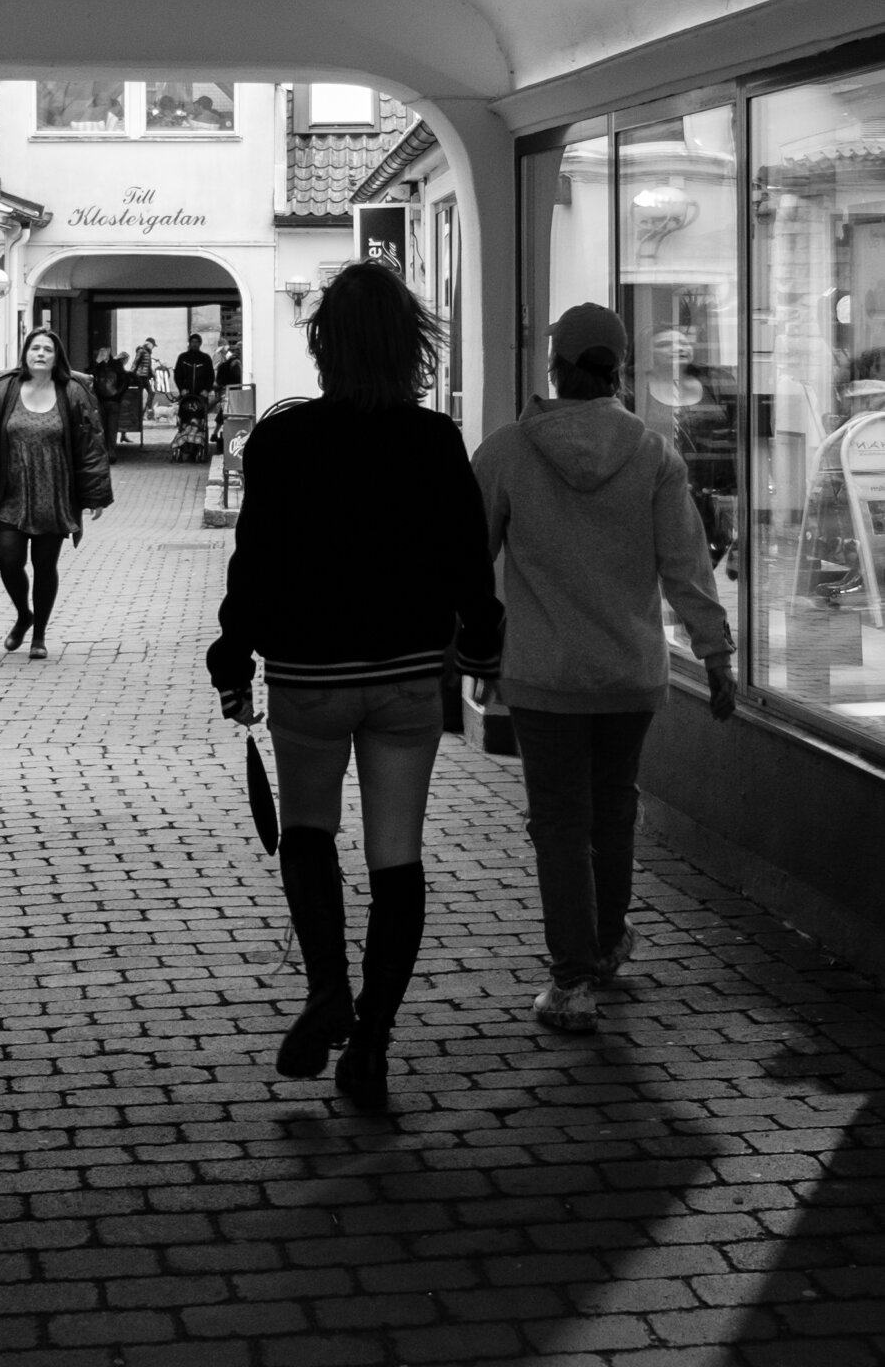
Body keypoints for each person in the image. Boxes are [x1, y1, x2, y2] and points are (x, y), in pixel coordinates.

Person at [207, 260, 503, 1109]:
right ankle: (371, 1041)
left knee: (307, 834)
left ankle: (327, 986)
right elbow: (463, 560)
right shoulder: (433, 440)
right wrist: (480, 640)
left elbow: (254, 562)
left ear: (324, 344)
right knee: (396, 856)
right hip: (409, 677)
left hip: (310, 673)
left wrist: (234, 657)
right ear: (409, 347)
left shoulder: (284, 440)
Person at [473, 303, 737, 1036]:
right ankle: (608, 941)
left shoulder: (507, 452)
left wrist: (463, 647)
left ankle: (572, 981)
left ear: (553, 367)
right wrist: (715, 655)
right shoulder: (654, 454)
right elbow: (687, 568)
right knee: (613, 810)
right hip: (629, 674)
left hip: (543, 674)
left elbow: (465, 563)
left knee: (559, 825)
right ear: (618, 367)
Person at [0, 329, 114, 660]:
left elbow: (90, 445)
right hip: (10, 496)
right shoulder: (2, 391)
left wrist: (95, 494)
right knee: (8, 561)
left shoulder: (72, 393)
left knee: (46, 566)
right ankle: (23, 615)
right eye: (35, 348)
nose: (40, 353)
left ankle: (39, 634)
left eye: (47, 349)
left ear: (57, 357)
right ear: (25, 354)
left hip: (53, 496)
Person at [635, 325, 737, 568]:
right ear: (647, 353)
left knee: (703, 558)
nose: (677, 348)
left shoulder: (716, 383)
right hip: (654, 489)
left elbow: (735, 434)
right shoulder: (633, 387)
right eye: (664, 344)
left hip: (707, 491)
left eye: (683, 342)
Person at [91, 345, 130, 460]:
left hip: (113, 401)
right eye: (101, 351)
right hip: (100, 400)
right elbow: (89, 376)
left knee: (112, 427)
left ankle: (111, 453)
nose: (103, 353)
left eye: (105, 351)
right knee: (101, 427)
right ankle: (103, 453)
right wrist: (97, 363)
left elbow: (125, 380)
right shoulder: (97, 365)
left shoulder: (116, 365)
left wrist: (118, 394)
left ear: (109, 352)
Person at [174, 333, 216, 400]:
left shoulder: (206, 358)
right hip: (186, 395)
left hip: (201, 395)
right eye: (193, 342)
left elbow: (211, 376)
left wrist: (207, 390)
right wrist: (181, 389)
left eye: (197, 342)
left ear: (200, 344)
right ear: (190, 343)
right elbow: (177, 375)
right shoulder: (183, 357)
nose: (195, 344)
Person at [133, 338, 157, 416]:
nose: (153, 347)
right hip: (139, 377)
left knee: (151, 393)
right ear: (148, 344)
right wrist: (131, 374)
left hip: (145, 377)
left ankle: (146, 410)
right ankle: (139, 412)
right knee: (139, 396)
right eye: (153, 345)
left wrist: (153, 374)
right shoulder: (141, 351)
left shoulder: (148, 353)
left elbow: (148, 366)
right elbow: (135, 363)